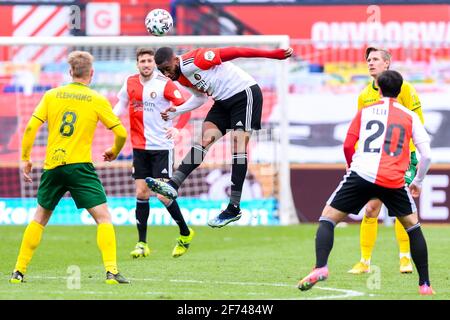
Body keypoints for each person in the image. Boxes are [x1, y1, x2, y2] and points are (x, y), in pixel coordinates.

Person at [298, 70, 434, 295]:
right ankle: (425, 285)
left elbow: (348, 144)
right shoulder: (409, 116)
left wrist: (352, 166)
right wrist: (418, 181)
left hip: (361, 174)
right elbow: (427, 155)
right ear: (401, 91)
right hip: (393, 179)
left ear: (378, 88)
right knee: (413, 227)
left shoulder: (365, 111)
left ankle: (321, 266)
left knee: (328, 218)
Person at [10, 51, 130, 284]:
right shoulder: (96, 99)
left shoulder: (52, 95)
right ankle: (112, 272)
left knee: (39, 218)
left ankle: (18, 271)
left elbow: (29, 129)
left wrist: (25, 157)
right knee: (103, 218)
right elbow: (121, 133)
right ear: (91, 73)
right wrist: (114, 151)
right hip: (80, 167)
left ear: (70, 72)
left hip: (53, 165)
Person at [144, 45, 293, 228]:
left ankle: (233, 207)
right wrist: (178, 110)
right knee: (204, 139)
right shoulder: (180, 78)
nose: (166, 74)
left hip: (244, 94)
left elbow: (236, 51)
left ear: (175, 60)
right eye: (162, 71)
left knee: (238, 145)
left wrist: (272, 54)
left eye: (167, 69)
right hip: (222, 102)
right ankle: (173, 185)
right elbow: (200, 98)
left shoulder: (196, 60)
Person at [348, 47, 425, 275]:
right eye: (368, 60)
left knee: (402, 210)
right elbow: (361, 130)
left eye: (375, 59)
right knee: (371, 208)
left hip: (402, 157)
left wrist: (414, 155)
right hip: (375, 160)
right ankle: (364, 261)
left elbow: (417, 123)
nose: (370, 63)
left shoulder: (406, 90)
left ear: (387, 64)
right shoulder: (364, 95)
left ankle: (404, 258)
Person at [114, 48, 194, 258]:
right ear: (137, 64)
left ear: (154, 63)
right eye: (143, 61)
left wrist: (178, 128)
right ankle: (142, 244)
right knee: (141, 193)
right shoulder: (129, 82)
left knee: (162, 194)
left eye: (150, 60)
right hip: (139, 147)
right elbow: (121, 104)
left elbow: (186, 107)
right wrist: (109, 122)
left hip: (161, 147)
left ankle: (185, 233)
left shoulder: (164, 83)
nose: (147, 64)